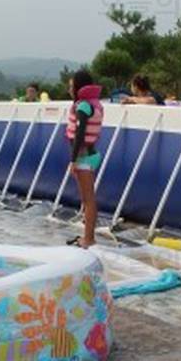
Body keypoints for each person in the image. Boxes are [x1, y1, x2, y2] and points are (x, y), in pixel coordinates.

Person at [65, 70, 104, 249]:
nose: (69, 89)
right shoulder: (90, 104)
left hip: (84, 158)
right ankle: (86, 236)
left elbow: (79, 135)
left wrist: (73, 160)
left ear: (78, 87)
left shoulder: (83, 106)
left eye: (71, 86)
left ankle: (88, 239)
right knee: (86, 200)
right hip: (89, 155)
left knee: (88, 200)